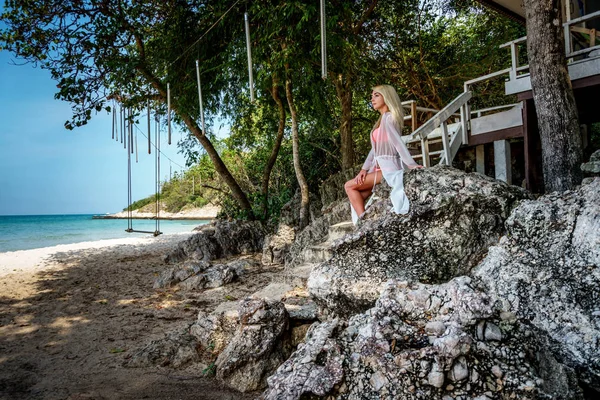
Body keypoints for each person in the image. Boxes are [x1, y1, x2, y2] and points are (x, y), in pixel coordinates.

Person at [344, 85, 423, 224]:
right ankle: (364, 223)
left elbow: (398, 143)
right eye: (372, 95)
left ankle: (364, 223)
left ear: (387, 97)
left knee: (349, 186)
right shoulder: (381, 120)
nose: (372, 99)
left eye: (376, 95)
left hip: (389, 169)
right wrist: (364, 169)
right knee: (357, 195)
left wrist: (411, 164)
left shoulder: (389, 117)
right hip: (378, 168)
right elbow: (374, 150)